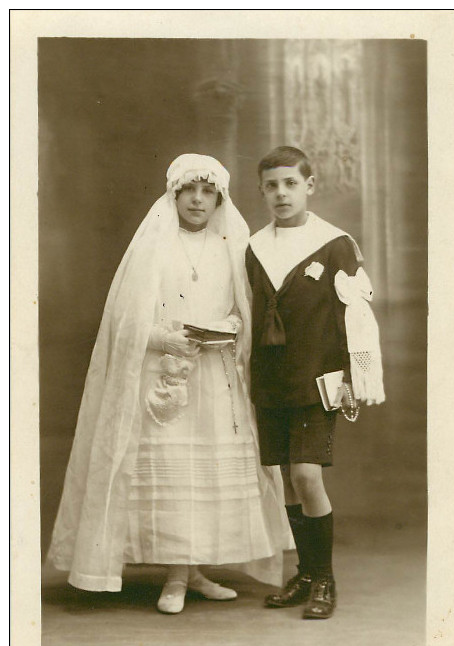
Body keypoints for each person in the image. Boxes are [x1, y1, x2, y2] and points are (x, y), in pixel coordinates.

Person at [48, 153, 288, 614]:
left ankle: (192, 571)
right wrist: (165, 338)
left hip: (215, 379)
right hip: (164, 379)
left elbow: (247, 313)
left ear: (220, 197)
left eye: (208, 192)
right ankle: (176, 577)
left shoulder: (232, 247)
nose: (198, 200)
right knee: (173, 472)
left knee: (206, 476)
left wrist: (231, 329)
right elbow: (126, 320)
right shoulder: (153, 246)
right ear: (174, 194)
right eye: (189, 191)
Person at [245, 146, 385, 619]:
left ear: (310, 184)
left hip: (317, 377)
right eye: (272, 185)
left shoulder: (334, 242)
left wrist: (354, 376)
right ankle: (304, 573)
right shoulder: (255, 245)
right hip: (270, 377)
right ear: (262, 191)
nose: (281, 193)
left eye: (290, 183)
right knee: (285, 477)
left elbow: (358, 316)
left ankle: (324, 579)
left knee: (307, 475)